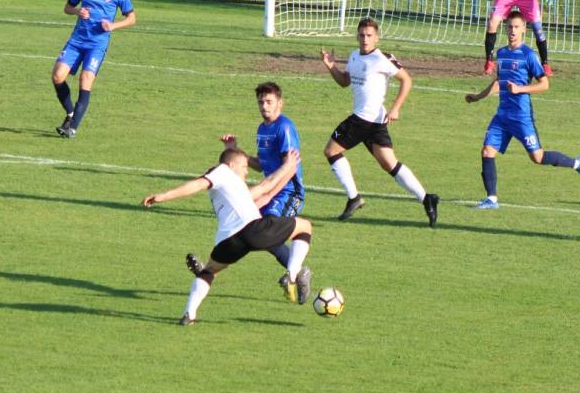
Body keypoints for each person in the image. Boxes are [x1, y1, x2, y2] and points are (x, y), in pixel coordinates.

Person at [142, 148, 313, 325]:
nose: (247, 171)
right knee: (305, 227)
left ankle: (189, 314)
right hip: (251, 229)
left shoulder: (233, 187)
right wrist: (164, 196)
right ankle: (292, 275)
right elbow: (197, 184)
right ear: (231, 165)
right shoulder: (222, 172)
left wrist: (289, 168)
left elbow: (266, 190)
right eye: (244, 166)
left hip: (228, 242)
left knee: (209, 271)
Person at [465, 10, 580, 209]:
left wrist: (520, 89)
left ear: (524, 29)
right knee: (487, 151)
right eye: (509, 27)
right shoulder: (501, 53)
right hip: (502, 116)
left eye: (516, 27)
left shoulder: (529, 55)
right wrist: (478, 97)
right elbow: (499, 82)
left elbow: (544, 84)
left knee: (537, 157)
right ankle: (491, 199)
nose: (512, 31)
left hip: (521, 116)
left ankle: (578, 164)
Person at [320, 17, 440, 227]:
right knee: (389, 164)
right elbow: (344, 82)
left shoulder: (382, 58)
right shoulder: (354, 56)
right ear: (357, 36)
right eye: (362, 35)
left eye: (369, 35)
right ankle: (426, 198)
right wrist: (331, 66)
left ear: (376, 37)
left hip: (364, 119)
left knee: (331, 151)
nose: (365, 39)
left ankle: (354, 198)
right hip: (375, 122)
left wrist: (396, 108)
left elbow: (406, 80)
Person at [219, 81, 312, 303]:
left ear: (280, 103)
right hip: (270, 191)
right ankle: (299, 272)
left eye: (269, 102)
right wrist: (234, 150)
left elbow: (289, 167)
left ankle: (294, 273)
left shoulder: (284, 128)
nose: (264, 106)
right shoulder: (262, 129)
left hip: (288, 191)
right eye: (261, 102)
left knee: (268, 230)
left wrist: (270, 194)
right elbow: (261, 165)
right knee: (255, 232)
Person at [52, 0, 136, 138]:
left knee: (85, 79)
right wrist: (77, 11)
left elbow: (132, 18)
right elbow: (67, 7)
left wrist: (112, 26)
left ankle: (72, 128)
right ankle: (71, 113)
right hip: (77, 41)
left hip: (97, 45)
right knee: (57, 76)